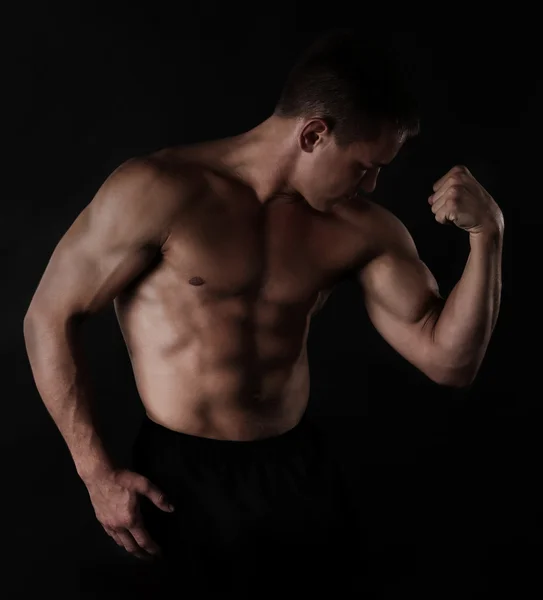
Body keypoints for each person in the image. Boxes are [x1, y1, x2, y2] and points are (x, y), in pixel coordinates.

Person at [23, 29, 503, 593]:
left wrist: (488, 236)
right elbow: (47, 317)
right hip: (180, 479)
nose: (373, 183)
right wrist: (95, 472)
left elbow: (451, 361)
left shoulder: (361, 228)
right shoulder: (158, 191)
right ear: (313, 134)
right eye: (365, 166)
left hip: (296, 473)